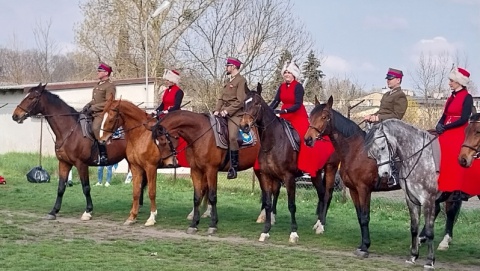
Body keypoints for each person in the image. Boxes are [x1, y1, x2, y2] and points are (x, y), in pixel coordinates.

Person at [269, 60, 335, 179]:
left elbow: (298, 104)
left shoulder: (298, 87)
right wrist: (268, 110)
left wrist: (285, 111)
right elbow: (276, 101)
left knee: (302, 138)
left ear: (294, 74)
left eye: (289, 72)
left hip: (297, 115)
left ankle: (304, 166)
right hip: (284, 115)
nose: (287, 74)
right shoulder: (282, 87)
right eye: (285, 72)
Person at [436, 67, 480, 201]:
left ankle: (456, 187)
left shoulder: (467, 97)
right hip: (446, 129)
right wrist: (439, 124)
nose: (449, 83)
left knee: (454, 150)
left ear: (459, 81)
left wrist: (447, 126)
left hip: (459, 130)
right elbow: (445, 114)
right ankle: (440, 184)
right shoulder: (451, 97)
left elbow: (463, 119)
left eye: (451, 80)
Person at [364, 67, 408, 187]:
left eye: (391, 79)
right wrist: (372, 116)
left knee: (387, 147)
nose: (388, 81)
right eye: (387, 79)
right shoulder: (387, 94)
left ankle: (393, 175)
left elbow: (397, 115)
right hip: (380, 126)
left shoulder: (400, 96)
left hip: (392, 128)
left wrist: (378, 118)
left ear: (398, 80)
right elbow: (382, 111)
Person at [214, 57, 247, 179]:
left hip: (235, 114)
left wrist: (227, 111)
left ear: (233, 67)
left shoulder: (241, 80)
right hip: (222, 112)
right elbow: (221, 98)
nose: (226, 68)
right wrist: (217, 110)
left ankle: (234, 167)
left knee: (232, 137)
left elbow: (240, 101)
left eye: (227, 65)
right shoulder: (228, 81)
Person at [82, 62, 116, 165]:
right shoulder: (97, 85)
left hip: (102, 113)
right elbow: (95, 100)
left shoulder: (110, 86)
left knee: (96, 128)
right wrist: (87, 105)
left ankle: (103, 154)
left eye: (100, 71)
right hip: (93, 111)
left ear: (106, 73)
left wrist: (93, 107)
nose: (98, 72)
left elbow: (108, 102)